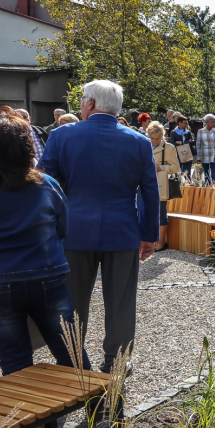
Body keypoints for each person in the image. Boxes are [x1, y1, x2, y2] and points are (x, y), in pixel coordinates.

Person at [39, 79, 159, 378]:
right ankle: (116, 360)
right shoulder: (139, 141)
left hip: (74, 230)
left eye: (82, 100)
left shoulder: (62, 135)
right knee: (121, 300)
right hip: (123, 230)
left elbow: (42, 185)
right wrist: (148, 236)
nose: (80, 104)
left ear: (90, 103)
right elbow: (149, 192)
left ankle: (71, 359)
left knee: (72, 300)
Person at [0, 111, 94, 377]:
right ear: (25, 148)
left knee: (14, 360)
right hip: (47, 273)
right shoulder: (47, 185)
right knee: (71, 350)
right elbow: (63, 228)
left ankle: (33, 418)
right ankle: (100, 411)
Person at [145, 122, 180, 252]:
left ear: (163, 136)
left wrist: (160, 167)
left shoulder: (169, 148)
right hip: (144, 185)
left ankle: (161, 243)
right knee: (143, 214)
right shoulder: (144, 145)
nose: (155, 141)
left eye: (158, 138)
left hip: (161, 186)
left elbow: (176, 168)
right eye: (152, 138)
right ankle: (147, 242)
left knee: (160, 214)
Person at [196, 114, 215, 185]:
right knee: (206, 175)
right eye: (212, 122)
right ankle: (207, 189)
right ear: (207, 122)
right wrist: (198, 157)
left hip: (214, 156)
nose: (214, 123)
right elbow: (198, 145)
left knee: (214, 175)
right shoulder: (200, 131)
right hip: (204, 155)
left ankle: (214, 189)